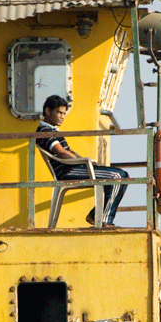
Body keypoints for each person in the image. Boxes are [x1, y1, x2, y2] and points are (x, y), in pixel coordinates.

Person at [36, 94, 128, 228]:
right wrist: (83, 162)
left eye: (64, 113)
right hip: (68, 172)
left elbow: (69, 151)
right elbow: (61, 152)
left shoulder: (52, 130)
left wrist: (87, 161)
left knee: (124, 175)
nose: (62, 116)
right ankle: (105, 221)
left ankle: (95, 216)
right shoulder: (44, 131)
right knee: (117, 176)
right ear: (48, 111)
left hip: (74, 168)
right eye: (59, 112)